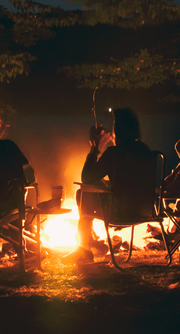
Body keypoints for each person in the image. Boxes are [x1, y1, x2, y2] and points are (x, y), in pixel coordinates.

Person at [66, 108, 154, 265]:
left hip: (119, 210)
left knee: (83, 193)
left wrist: (95, 147)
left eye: (114, 127)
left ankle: (84, 248)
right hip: (143, 210)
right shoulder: (145, 150)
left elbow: (87, 178)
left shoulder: (114, 154)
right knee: (91, 189)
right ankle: (85, 246)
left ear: (118, 130)